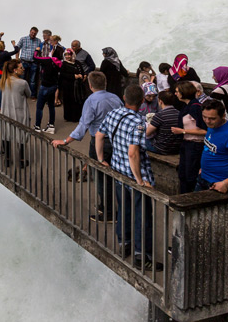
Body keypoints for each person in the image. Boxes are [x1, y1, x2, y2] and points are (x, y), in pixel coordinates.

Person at [96, 84, 155, 267]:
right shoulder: (138, 122)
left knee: (124, 209)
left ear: (123, 97)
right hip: (134, 175)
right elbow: (133, 153)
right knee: (142, 216)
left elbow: (99, 135)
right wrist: (139, 180)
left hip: (117, 170)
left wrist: (100, 160)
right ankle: (141, 256)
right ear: (142, 101)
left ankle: (124, 244)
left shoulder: (113, 114)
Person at [53, 71, 122, 221]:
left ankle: (109, 213)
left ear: (90, 85)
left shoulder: (91, 101)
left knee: (101, 178)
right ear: (105, 83)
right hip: (116, 141)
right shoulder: (115, 98)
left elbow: (83, 125)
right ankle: (107, 206)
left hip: (99, 143)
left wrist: (65, 141)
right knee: (112, 176)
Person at [170, 80, 208, 193]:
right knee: (183, 174)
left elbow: (205, 131)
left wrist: (183, 131)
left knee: (190, 175)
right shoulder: (188, 106)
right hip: (187, 144)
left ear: (184, 93)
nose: (175, 94)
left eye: (177, 92)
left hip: (195, 145)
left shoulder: (195, 107)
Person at [0, 59, 32, 168]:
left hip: (6, 112)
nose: (23, 69)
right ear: (15, 70)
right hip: (19, 112)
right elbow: (29, 94)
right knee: (21, 136)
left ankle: (7, 160)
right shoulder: (22, 83)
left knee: (7, 135)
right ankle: (21, 160)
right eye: (21, 68)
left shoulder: (4, 80)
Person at [34, 40, 62, 133]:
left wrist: (37, 50)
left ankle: (37, 126)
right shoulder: (59, 63)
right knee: (51, 106)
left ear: (53, 52)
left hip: (45, 86)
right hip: (53, 86)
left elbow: (35, 58)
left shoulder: (48, 60)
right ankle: (51, 126)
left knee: (39, 107)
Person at [146, 90, 182, 155]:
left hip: (162, 148)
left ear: (160, 101)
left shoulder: (160, 115)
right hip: (177, 148)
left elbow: (147, 133)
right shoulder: (179, 113)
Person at [58, 47, 86, 124]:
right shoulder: (64, 64)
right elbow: (62, 75)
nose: (67, 57)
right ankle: (69, 117)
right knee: (69, 101)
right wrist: (74, 76)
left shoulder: (77, 62)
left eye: (69, 55)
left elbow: (82, 71)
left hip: (77, 86)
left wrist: (82, 75)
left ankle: (77, 117)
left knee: (77, 101)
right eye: (66, 55)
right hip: (68, 86)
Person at [17, 27, 42, 94]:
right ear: (30, 31)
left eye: (35, 33)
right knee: (22, 79)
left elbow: (40, 52)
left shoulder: (38, 41)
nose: (33, 34)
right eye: (32, 32)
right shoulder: (23, 39)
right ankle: (21, 93)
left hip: (34, 63)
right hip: (24, 62)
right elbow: (17, 49)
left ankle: (32, 94)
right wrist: (17, 60)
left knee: (32, 80)